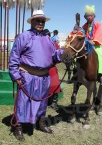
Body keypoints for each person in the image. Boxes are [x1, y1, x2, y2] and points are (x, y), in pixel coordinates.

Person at [9, 9, 63, 141]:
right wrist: (16, 75)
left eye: (42, 21)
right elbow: (14, 57)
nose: (40, 23)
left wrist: (63, 53)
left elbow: (54, 56)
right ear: (32, 21)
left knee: (43, 102)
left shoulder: (47, 38)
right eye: (37, 20)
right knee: (23, 102)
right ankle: (18, 127)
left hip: (44, 77)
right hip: (27, 76)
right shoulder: (24, 36)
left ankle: (41, 123)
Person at [82, 5, 102, 86]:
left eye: (90, 16)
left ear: (93, 16)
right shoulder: (84, 26)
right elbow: (81, 33)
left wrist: (93, 41)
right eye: (87, 16)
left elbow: (98, 34)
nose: (89, 17)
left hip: (95, 46)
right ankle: (75, 72)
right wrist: (77, 28)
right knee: (77, 55)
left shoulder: (97, 24)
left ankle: (101, 75)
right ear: (85, 17)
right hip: (86, 45)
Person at [43, 29, 61, 110]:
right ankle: (45, 101)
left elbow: (58, 56)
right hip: (42, 69)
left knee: (55, 85)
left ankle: (53, 102)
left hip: (51, 68)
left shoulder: (54, 44)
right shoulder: (40, 44)